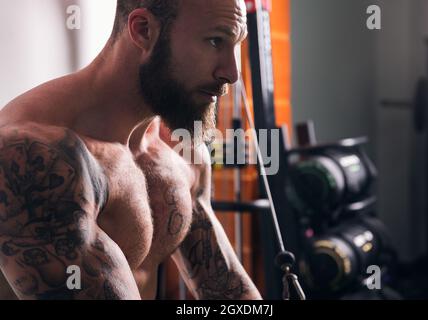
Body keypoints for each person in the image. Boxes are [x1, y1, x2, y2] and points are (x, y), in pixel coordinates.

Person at [0, 0, 262, 300]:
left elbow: (227, 294)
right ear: (143, 30)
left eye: (235, 44)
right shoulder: (35, 160)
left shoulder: (179, 151)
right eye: (216, 40)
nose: (231, 73)